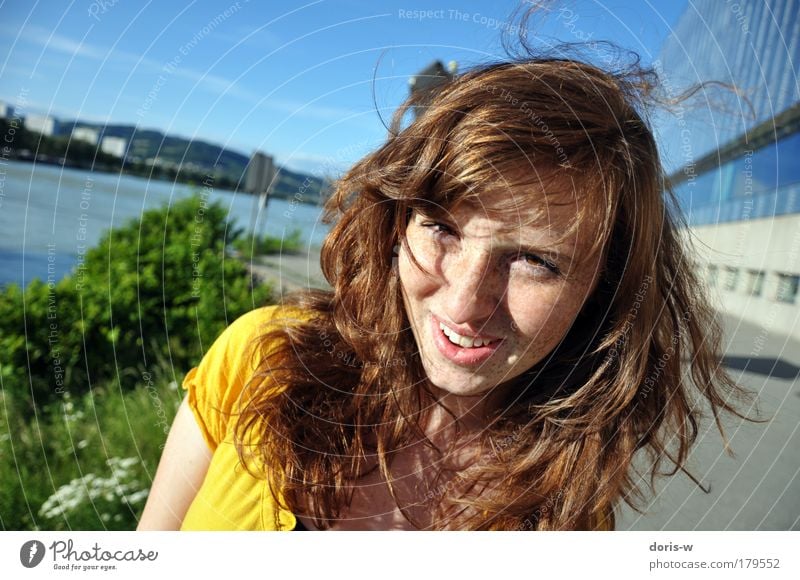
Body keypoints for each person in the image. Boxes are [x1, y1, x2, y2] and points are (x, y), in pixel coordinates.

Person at [137, 48, 751, 531]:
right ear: (398, 221)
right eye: (442, 227)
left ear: (605, 289)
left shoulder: (563, 522)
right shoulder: (261, 359)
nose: (463, 304)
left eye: (535, 260)